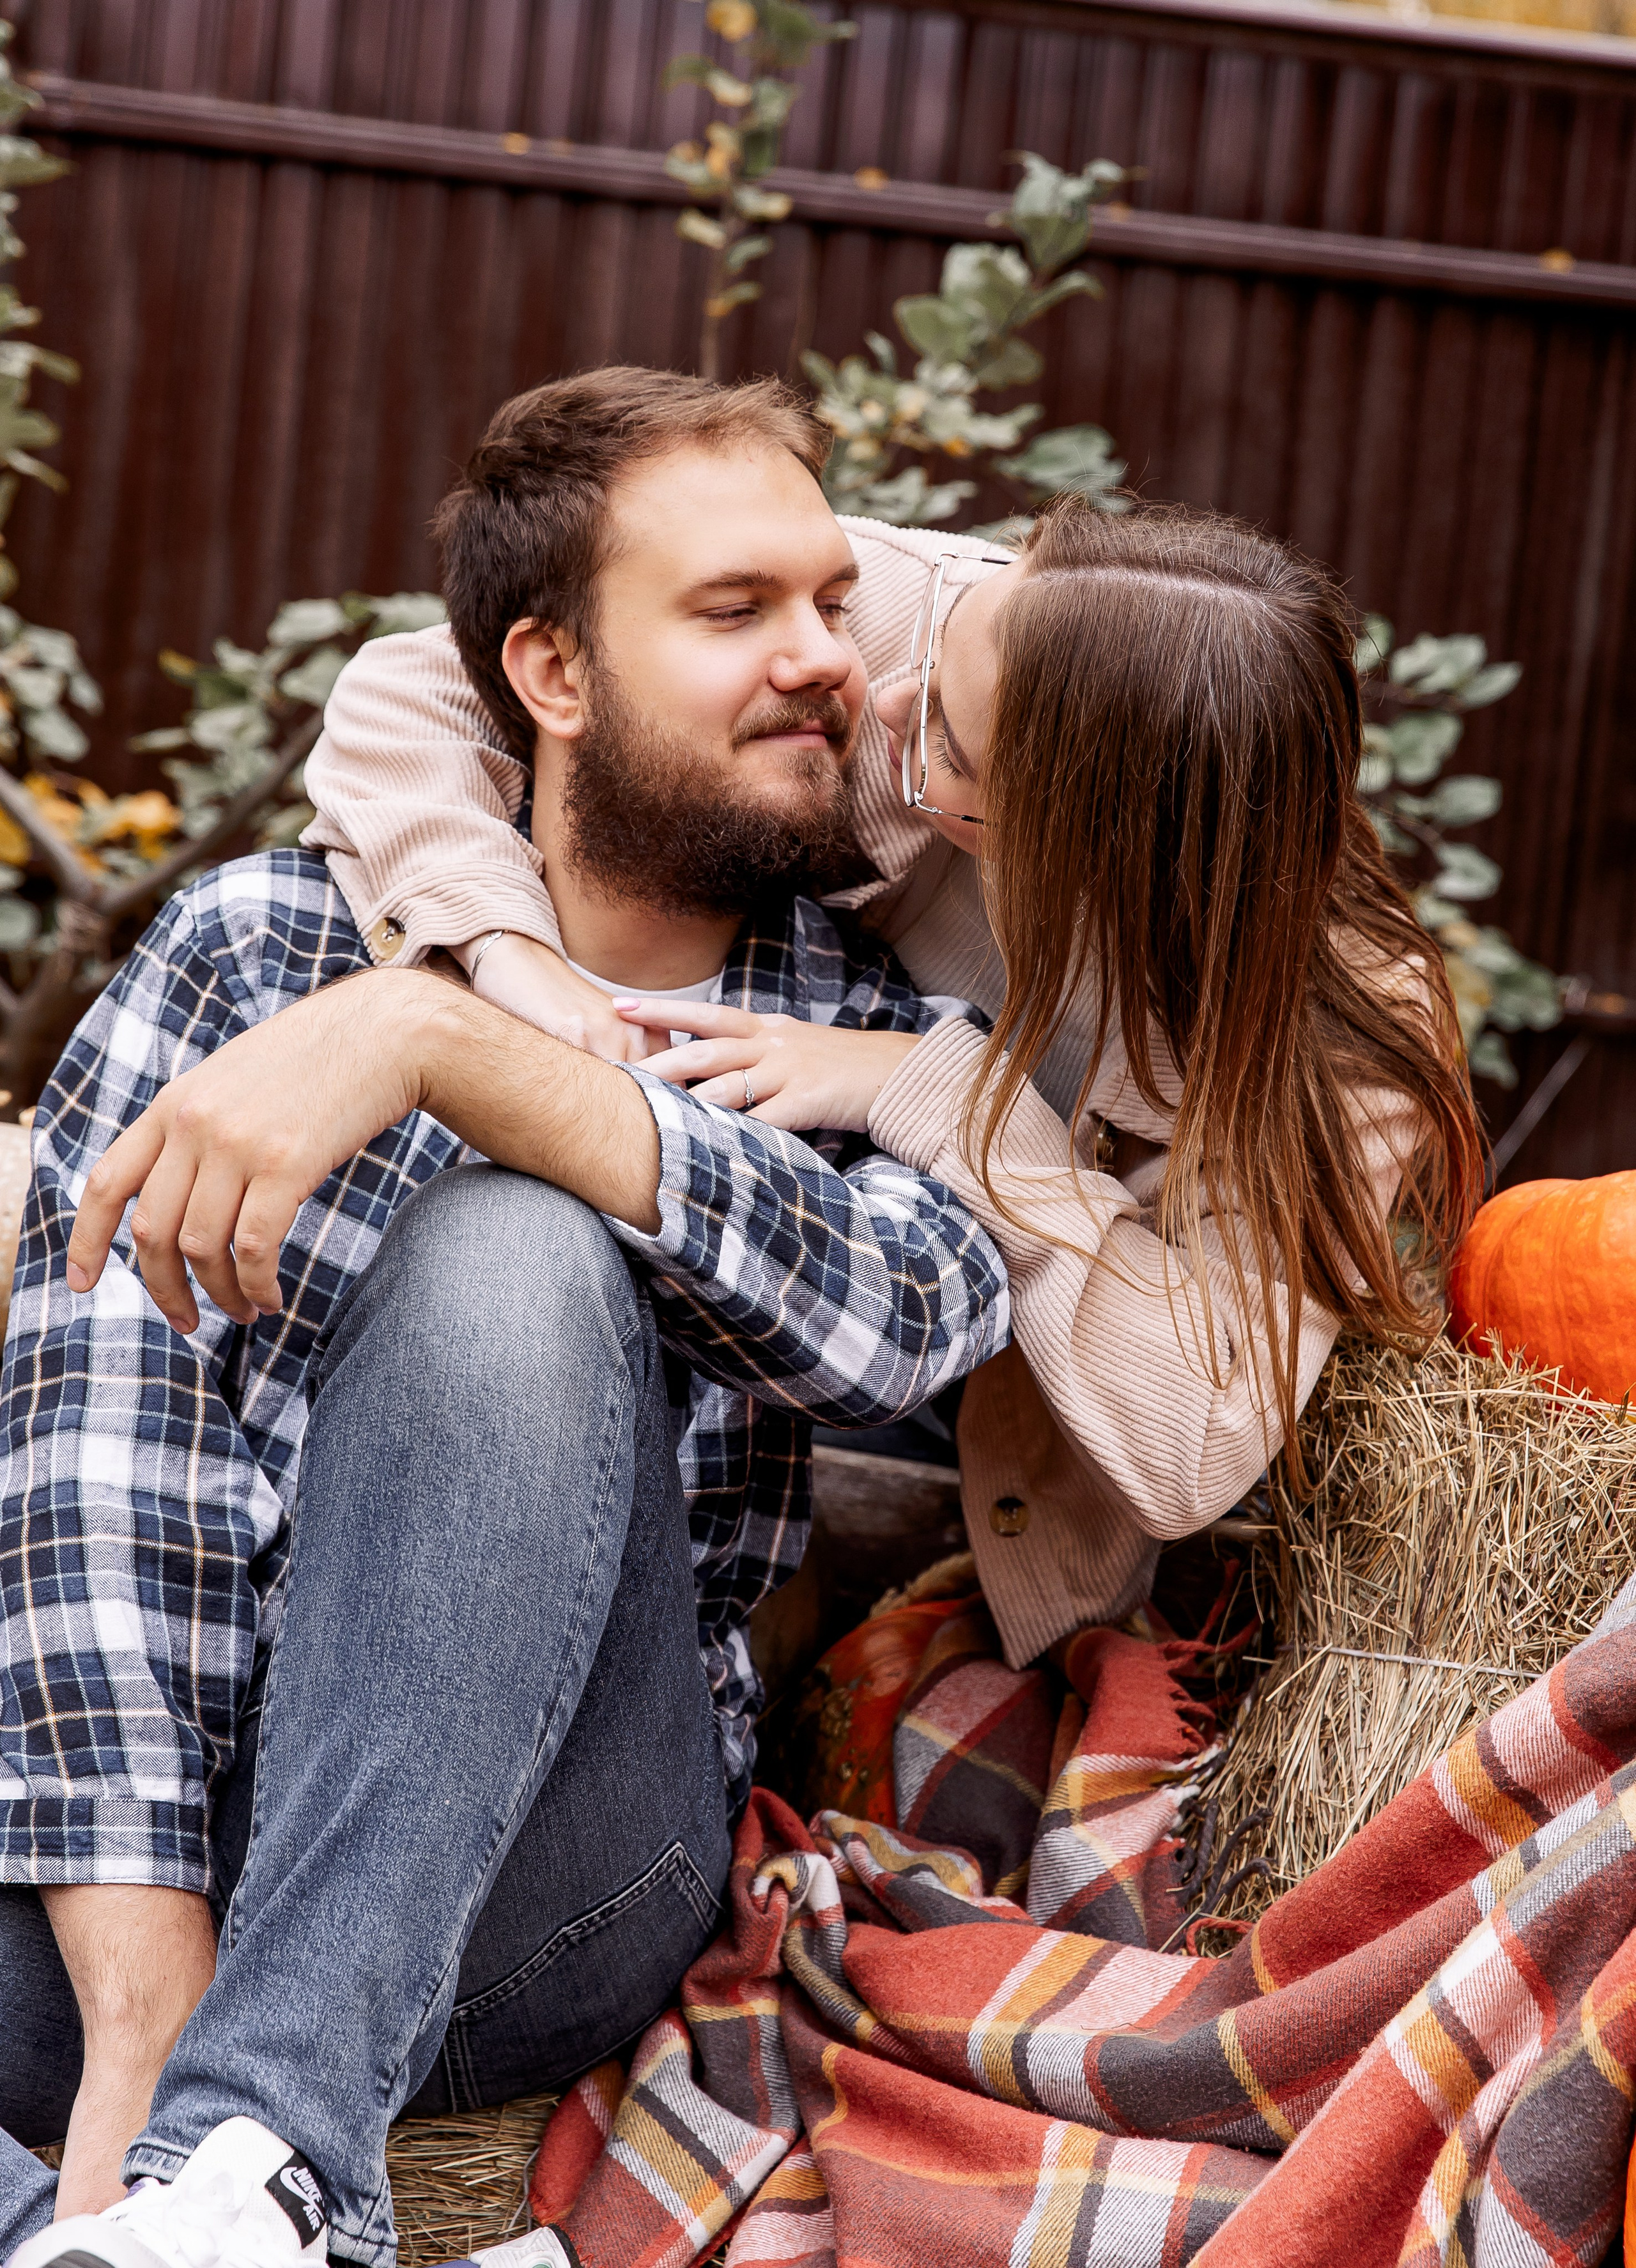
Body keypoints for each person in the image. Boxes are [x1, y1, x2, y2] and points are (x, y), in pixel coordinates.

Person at [0, 371, 1008, 2268]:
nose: (825, 663)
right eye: (736, 613)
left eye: (831, 606)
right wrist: (137, 1976)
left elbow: (903, 1323)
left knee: (512, 1247)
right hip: (138, 1860)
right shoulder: (260, 946)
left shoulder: (886, 1033)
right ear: (550, 672)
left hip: (538, 1891)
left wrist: (474, 1054)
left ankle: (266, 2148)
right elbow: (95, 1439)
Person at [301, 407, 1482, 1653]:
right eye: (935, 647)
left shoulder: (1340, 1037)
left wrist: (943, 1088)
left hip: (1000, 1380)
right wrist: (507, 955)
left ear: (1072, 842)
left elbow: (1194, 1435)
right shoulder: (920, 622)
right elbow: (421, 680)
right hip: (742, 1217)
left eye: (949, 744)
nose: (884, 698)